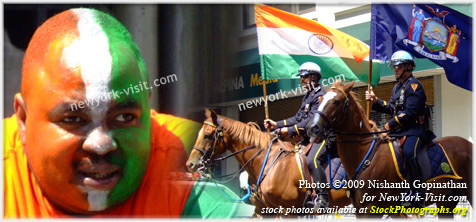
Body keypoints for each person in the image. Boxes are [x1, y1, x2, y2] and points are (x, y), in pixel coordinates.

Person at [3, 8, 247, 218]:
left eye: (124, 117)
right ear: (24, 119)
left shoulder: (185, 157)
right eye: (74, 119)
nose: (101, 144)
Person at [365, 50, 435, 208]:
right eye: (393, 66)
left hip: (414, 130)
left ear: (409, 67)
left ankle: (418, 192)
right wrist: (376, 101)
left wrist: (390, 124)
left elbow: (410, 112)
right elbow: (392, 108)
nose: (395, 69)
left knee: (410, 152)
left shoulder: (415, 86)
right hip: (400, 131)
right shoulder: (397, 87)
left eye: (398, 66)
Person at [263, 62, 330, 209]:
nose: (302, 80)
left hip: (322, 138)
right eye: (301, 77)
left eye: (305, 77)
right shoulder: (307, 96)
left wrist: (290, 130)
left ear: (314, 77)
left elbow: (312, 121)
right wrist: (277, 124)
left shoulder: (320, 96)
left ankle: (322, 198)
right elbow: (298, 118)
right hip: (309, 139)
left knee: (313, 160)